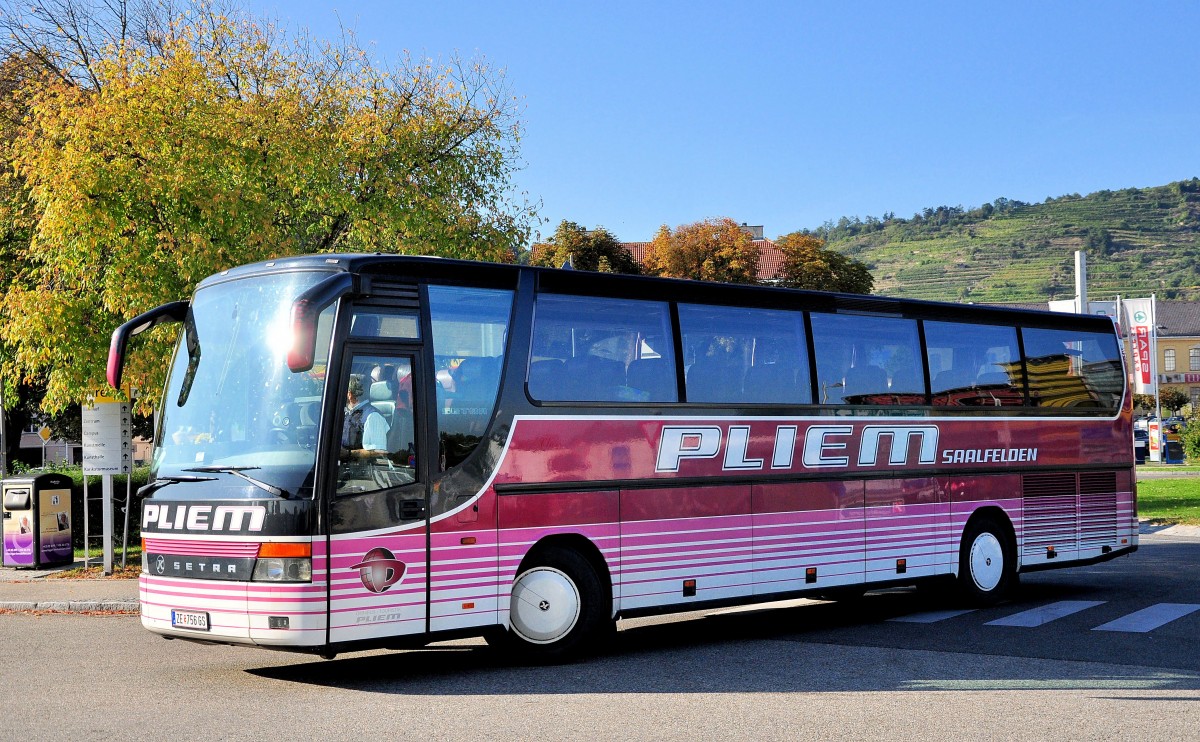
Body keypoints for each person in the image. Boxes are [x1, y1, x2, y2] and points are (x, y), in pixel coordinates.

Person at [341, 375, 390, 461]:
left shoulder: (373, 416)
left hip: (362, 469)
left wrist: (348, 453)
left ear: (349, 395)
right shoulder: (347, 412)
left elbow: (379, 452)